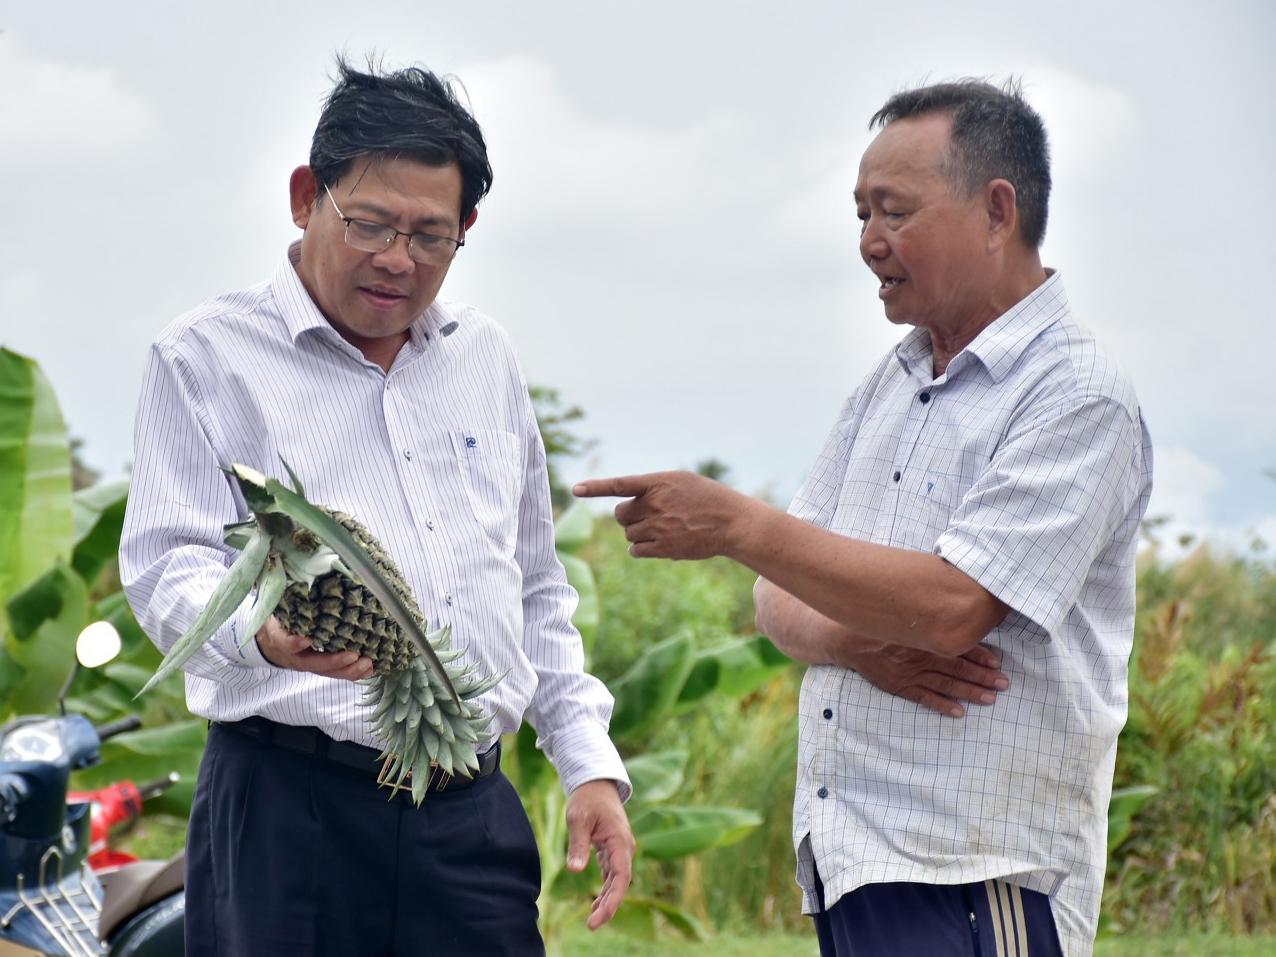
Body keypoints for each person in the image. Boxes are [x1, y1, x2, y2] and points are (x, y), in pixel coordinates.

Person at [575, 79, 1152, 957]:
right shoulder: (891, 381)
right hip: (855, 861)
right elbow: (777, 599)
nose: (869, 243)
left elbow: (955, 607)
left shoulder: (1076, 397)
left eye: (894, 212)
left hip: (976, 878)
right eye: (860, 214)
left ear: (998, 210)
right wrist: (853, 642)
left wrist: (736, 523)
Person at [120, 58, 634, 957]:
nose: (399, 259)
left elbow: (535, 587)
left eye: (432, 235)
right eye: (371, 224)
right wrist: (262, 632)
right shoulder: (205, 356)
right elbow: (167, 562)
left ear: (467, 228)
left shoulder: (484, 358)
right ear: (303, 197)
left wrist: (587, 761)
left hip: (467, 814)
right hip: (289, 808)